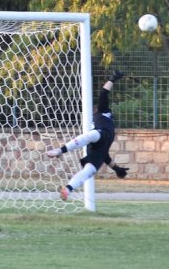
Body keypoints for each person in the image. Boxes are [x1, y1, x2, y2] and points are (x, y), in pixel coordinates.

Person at [46, 70, 130, 201]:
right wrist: (112, 79)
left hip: (100, 149)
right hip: (99, 135)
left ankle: (67, 189)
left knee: (89, 171)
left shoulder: (106, 121)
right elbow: (104, 94)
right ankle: (60, 150)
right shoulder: (103, 112)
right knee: (92, 135)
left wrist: (117, 169)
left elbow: (106, 157)